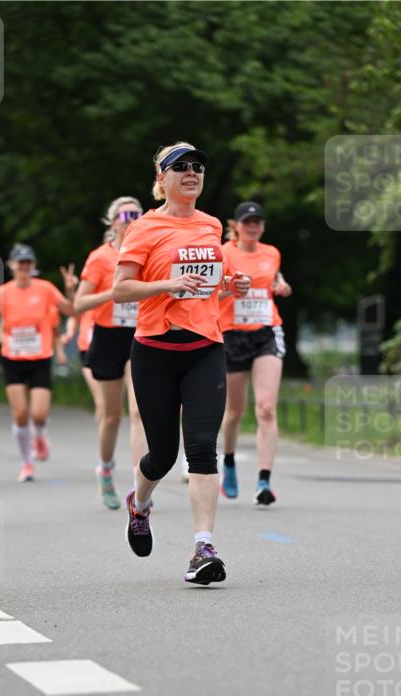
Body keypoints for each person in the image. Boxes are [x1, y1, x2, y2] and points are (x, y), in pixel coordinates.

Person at [113, 141, 250, 584]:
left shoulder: (212, 226)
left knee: (201, 449)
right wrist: (166, 284)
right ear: (161, 178)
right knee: (162, 456)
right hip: (154, 352)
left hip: (205, 349)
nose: (191, 173)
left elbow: (213, 282)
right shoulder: (144, 229)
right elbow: (121, 290)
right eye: (180, 167)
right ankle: (140, 503)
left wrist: (234, 283)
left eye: (197, 167)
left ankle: (202, 548)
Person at [74, 198, 147, 509]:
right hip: (107, 337)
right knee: (110, 414)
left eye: (137, 214)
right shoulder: (100, 258)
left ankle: (138, 486)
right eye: (125, 215)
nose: (131, 220)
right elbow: (78, 304)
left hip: (140, 334)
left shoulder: (149, 253)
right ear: (112, 221)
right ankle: (105, 470)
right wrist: (115, 292)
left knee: (138, 411)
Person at [219, 201, 292, 505]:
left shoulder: (272, 252)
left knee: (265, 407)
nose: (253, 226)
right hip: (231, 333)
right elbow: (211, 292)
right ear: (235, 225)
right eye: (247, 221)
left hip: (266, 331)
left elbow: (274, 279)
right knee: (234, 412)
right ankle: (230, 461)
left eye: (257, 222)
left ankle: (264, 481)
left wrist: (282, 285)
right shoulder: (223, 253)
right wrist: (230, 291)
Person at [0, 245, 76, 482]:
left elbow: (70, 309)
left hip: (40, 359)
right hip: (13, 359)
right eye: (20, 263)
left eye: (28, 262)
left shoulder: (45, 289)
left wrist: (70, 291)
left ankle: (39, 436)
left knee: (38, 414)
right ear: (11, 265)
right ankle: (26, 463)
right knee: (20, 414)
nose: (24, 267)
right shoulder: (2, 292)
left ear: (33, 265)